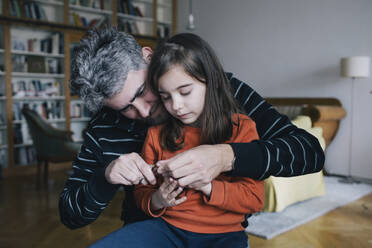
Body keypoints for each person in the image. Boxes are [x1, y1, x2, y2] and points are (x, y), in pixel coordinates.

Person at [59, 27, 324, 230]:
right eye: (125, 108)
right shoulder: (102, 129)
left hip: (219, 234)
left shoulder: (220, 90)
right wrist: (105, 177)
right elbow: (70, 216)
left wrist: (227, 157)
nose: (144, 111)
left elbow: (309, 153)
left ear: (149, 57)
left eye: (143, 91)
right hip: (148, 232)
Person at [90, 32, 264, 248]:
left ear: (210, 81)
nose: (176, 106)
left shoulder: (241, 128)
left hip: (225, 236)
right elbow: (142, 193)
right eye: (165, 97)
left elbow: (255, 199)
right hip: (166, 229)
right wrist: (157, 200)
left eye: (185, 92)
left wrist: (207, 186)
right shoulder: (156, 134)